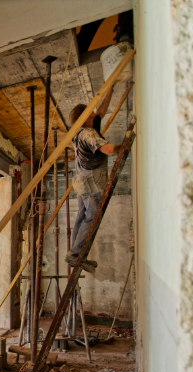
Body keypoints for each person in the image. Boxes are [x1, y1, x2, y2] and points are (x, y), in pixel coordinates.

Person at [65, 87, 123, 273]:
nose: (93, 112)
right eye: (90, 111)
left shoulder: (86, 127)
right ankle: (75, 256)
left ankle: (74, 255)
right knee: (90, 218)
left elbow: (101, 112)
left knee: (82, 217)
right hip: (90, 181)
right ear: (85, 117)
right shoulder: (88, 134)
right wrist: (125, 145)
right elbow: (109, 150)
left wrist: (110, 90)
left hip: (82, 180)